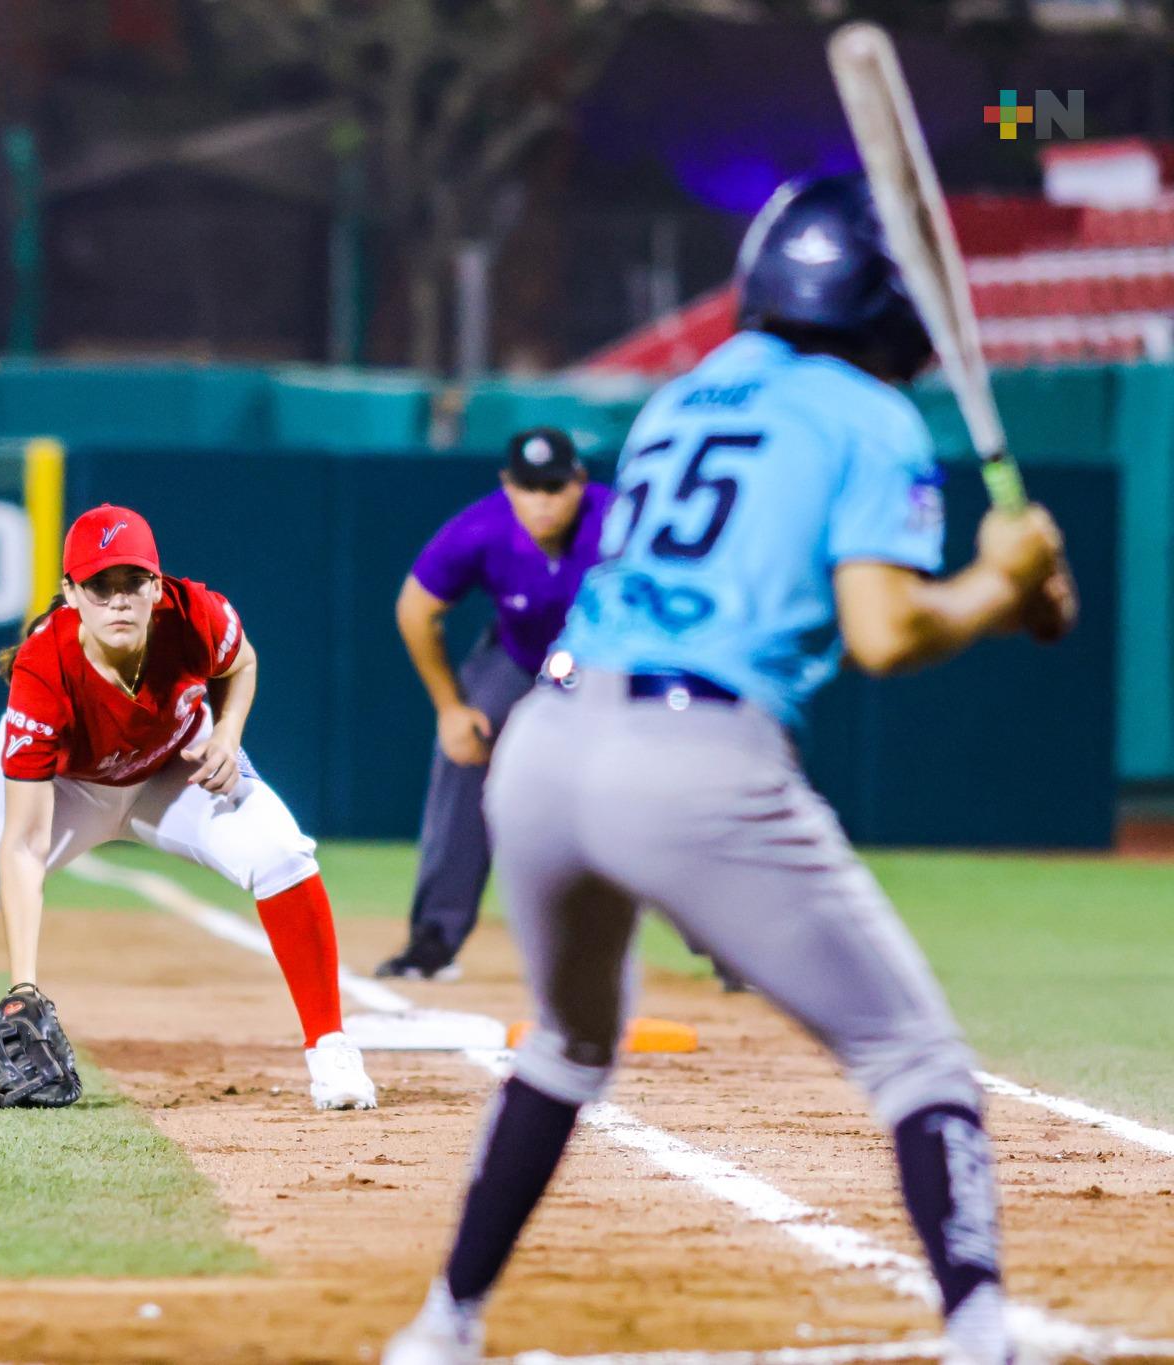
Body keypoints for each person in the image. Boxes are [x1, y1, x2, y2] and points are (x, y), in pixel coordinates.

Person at [383, 174, 1075, 1365]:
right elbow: (885, 633)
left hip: (543, 749)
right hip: (692, 753)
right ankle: (979, 1334)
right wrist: (1001, 592)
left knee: (566, 1044)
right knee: (914, 1059)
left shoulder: (680, 398)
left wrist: (1003, 595)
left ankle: (441, 1327)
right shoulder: (871, 415)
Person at [0, 504, 378, 1112]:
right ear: (70, 594)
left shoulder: (195, 615)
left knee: (281, 853)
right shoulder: (43, 667)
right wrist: (22, 984)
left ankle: (330, 1046)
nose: (118, 601)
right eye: (98, 586)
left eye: (132, 583)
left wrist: (229, 733)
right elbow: (25, 845)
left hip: (172, 767)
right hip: (69, 787)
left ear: (156, 586)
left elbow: (241, 663)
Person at [375, 427, 611, 981]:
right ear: (508, 484)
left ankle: (727, 951)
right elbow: (415, 609)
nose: (543, 500)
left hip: (606, 661)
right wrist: (450, 709)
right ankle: (433, 940)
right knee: (462, 750)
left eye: (555, 486)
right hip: (519, 656)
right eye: (529, 487)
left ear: (580, 481)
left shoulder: (620, 523)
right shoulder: (481, 527)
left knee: (667, 777)